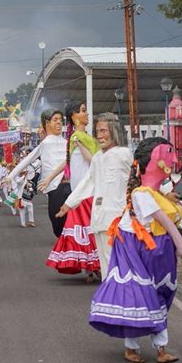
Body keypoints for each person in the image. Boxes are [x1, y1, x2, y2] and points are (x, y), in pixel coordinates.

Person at [90, 137, 182, 363]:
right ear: (155, 159)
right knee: (140, 296)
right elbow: (163, 220)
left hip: (159, 250)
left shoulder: (153, 193)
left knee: (162, 294)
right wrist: (181, 245)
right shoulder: (141, 194)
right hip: (138, 249)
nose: (174, 159)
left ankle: (160, 348)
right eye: (169, 153)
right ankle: (133, 347)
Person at [56, 113, 133, 280]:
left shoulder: (124, 154)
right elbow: (88, 181)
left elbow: (137, 178)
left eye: (104, 131)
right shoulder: (98, 157)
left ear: (115, 132)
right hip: (98, 218)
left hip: (117, 217)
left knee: (117, 260)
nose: (100, 135)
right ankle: (109, 294)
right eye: (97, 131)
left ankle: (120, 295)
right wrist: (69, 204)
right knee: (105, 261)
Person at [43, 100, 100, 282]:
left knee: (89, 230)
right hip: (83, 193)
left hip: (88, 190)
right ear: (74, 116)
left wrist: (50, 177)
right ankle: (93, 268)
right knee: (90, 230)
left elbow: (68, 163)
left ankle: (92, 268)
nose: (87, 114)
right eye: (83, 111)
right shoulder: (78, 138)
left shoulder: (82, 138)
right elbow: (91, 160)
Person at [4, 109, 67, 236]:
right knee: (57, 226)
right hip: (53, 188)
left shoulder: (67, 143)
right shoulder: (45, 144)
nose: (59, 123)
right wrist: (10, 176)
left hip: (68, 185)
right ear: (47, 123)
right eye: (56, 120)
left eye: (61, 120)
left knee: (66, 224)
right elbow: (26, 161)